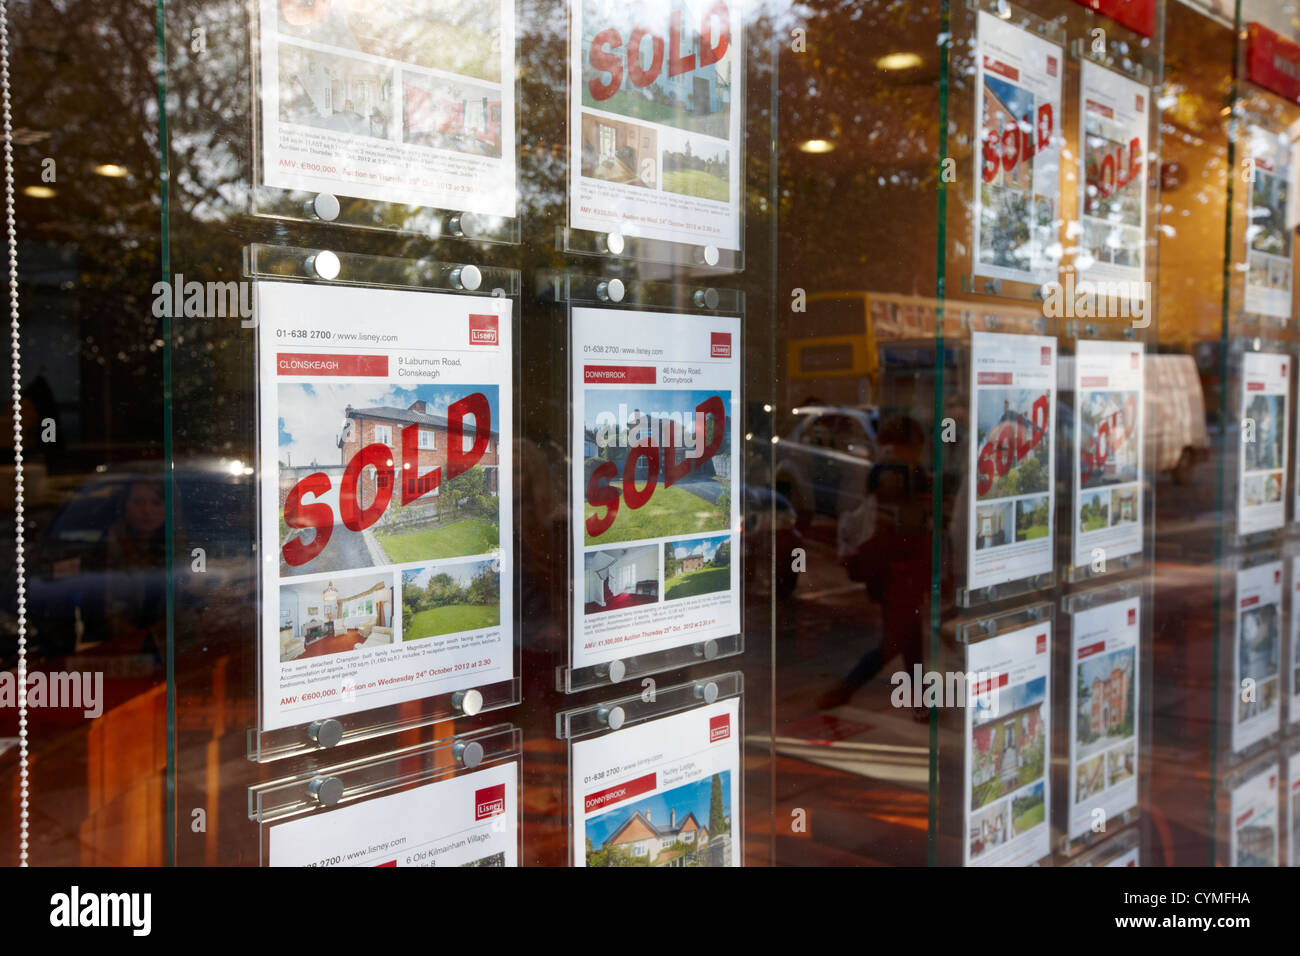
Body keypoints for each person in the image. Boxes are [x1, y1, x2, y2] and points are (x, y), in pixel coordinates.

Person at [819, 415, 931, 715]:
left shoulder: (880, 468)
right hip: (901, 568)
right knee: (896, 641)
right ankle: (844, 690)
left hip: (891, 567)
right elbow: (911, 524)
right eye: (919, 445)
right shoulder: (905, 471)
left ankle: (919, 700)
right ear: (909, 444)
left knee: (911, 637)